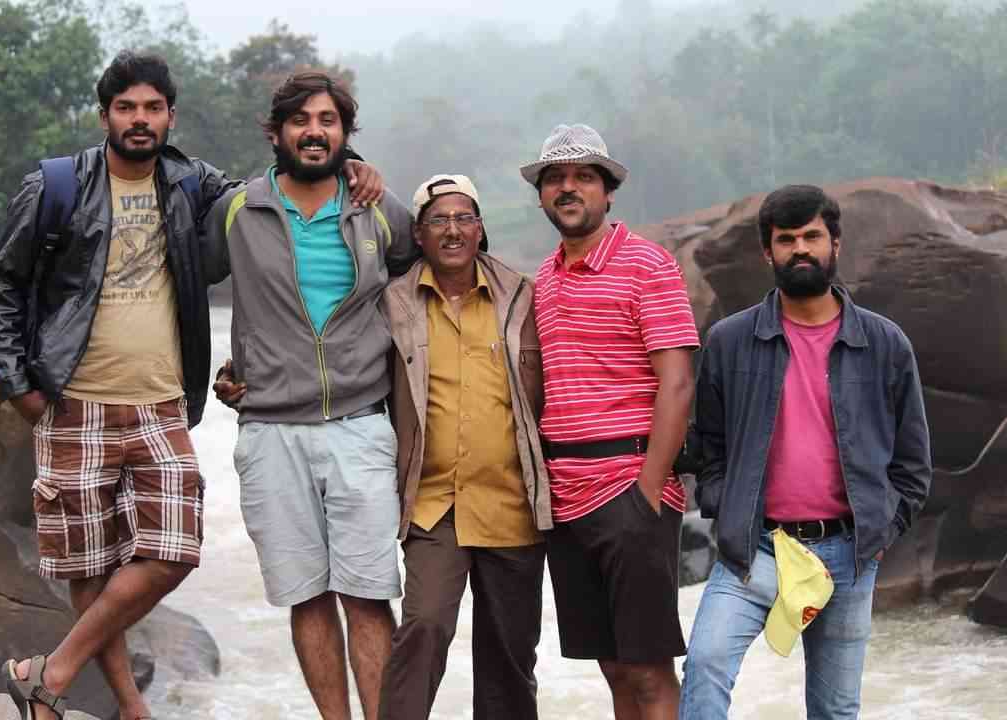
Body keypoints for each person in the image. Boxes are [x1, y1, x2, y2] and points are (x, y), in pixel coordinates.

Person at [0, 52, 382, 720]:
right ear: (105, 115)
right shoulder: (56, 186)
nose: (140, 120)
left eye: (153, 108)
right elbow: (2, 287)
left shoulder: (192, 184)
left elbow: (281, 176)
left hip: (160, 402)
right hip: (73, 400)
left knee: (173, 554)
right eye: (126, 108)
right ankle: (125, 708)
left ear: (170, 116)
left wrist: (352, 163)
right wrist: (17, 385)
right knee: (90, 568)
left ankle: (50, 671)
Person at [201, 71, 417, 720]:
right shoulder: (237, 209)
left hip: (361, 424)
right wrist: (214, 370)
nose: (314, 132)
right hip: (270, 430)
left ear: (345, 133)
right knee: (307, 596)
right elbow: (182, 280)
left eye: (328, 120)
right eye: (300, 120)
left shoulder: (380, 208)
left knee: (369, 594)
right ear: (276, 133)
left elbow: (427, 280)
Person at [679, 184, 932, 719]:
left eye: (812, 236)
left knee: (834, 708)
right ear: (767, 251)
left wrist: (882, 531)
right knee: (704, 666)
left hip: (849, 553)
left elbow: (913, 463)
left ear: (835, 243)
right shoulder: (730, 341)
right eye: (786, 239)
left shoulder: (885, 344)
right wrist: (725, 506)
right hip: (756, 548)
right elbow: (709, 446)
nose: (800, 249)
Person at [521, 124, 700, 719]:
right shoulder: (545, 278)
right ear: (541, 195)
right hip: (566, 501)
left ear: (608, 191)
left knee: (648, 670)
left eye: (584, 177)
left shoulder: (648, 264)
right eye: (555, 178)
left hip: (629, 489)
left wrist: (647, 491)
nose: (568, 188)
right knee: (614, 668)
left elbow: (678, 382)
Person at [376, 175, 551, 720]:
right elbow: (344, 364)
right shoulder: (393, 302)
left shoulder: (522, 295)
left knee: (509, 655)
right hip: (434, 505)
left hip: (512, 502)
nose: (452, 230)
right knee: (424, 626)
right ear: (419, 235)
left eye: (463, 218)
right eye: (438, 220)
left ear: (480, 229)